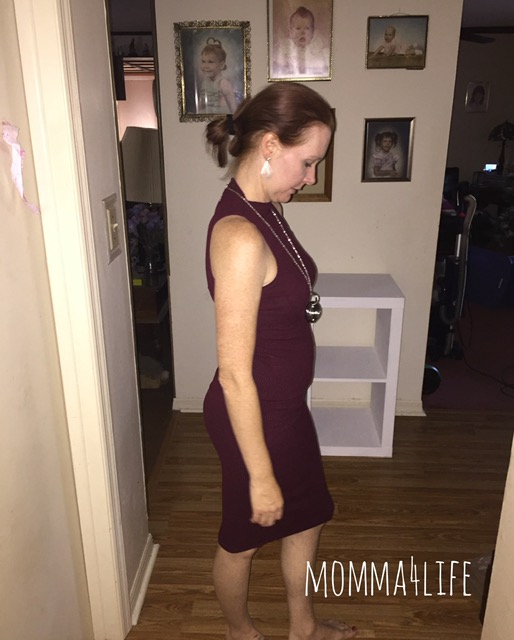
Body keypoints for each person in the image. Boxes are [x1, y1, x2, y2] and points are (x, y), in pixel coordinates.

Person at [203, 83, 357, 640]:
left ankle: (302, 627)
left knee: (309, 515)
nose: (311, 177)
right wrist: (261, 475)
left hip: (285, 410)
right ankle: (240, 633)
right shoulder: (240, 235)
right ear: (270, 145)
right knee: (242, 541)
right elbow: (233, 375)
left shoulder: (265, 207)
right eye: (308, 161)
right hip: (255, 415)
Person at [275, 6, 330, 78]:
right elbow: (279, 66)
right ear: (291, 31)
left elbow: (324, 66)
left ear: (313, 31)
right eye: (298, 28)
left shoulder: (317, 48)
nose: (302, 32)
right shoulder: (285, 48)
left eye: (307, 28)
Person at [198, 37, 238, 114]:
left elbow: (233, 107)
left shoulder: (223, 83)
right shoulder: (204, 83)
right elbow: (201, 105)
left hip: (221, 117)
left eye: (210, 62)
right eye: (203, 61)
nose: (205, 66)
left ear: (221, 65)